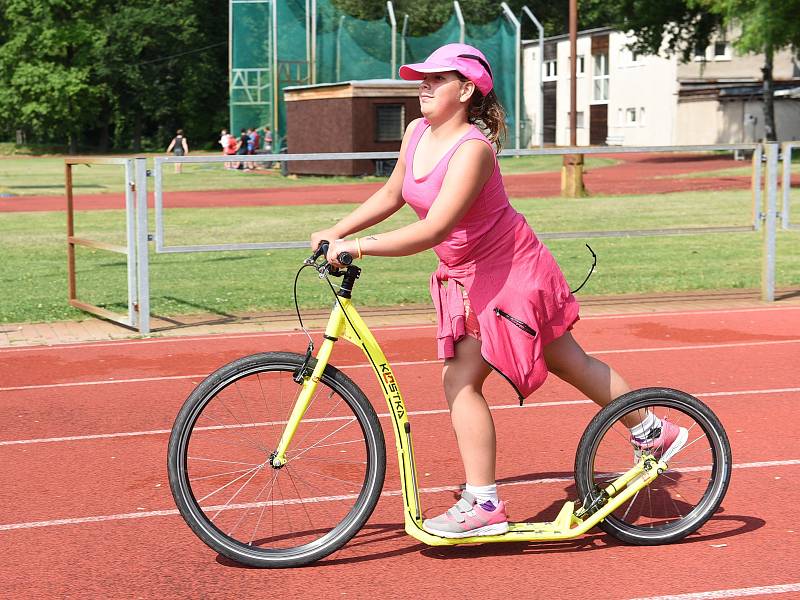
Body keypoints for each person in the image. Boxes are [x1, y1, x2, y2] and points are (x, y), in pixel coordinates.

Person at [309, 43, 688, 539]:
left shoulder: (473, 151)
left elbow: (434, 228)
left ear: (465, 91)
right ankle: (653, 431)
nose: (422, 85)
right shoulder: (416, 131)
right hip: (468, 272)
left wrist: (357, 248)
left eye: (436, 79)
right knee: (565, 361)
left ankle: (484, 503)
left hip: (511, 270)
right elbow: (391, 193)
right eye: (421, 77)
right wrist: (333, 231)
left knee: (465, 378)